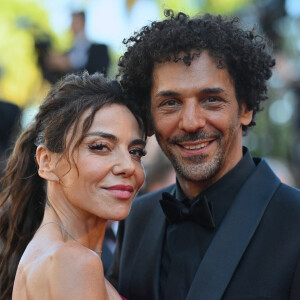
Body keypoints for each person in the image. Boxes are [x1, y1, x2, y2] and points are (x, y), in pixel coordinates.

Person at [108, 9, 300, 300]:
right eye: (171, 103)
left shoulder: (294, 221)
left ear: (245, 108)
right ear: (149, 116)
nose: (191, 122)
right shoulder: (136, 219)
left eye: (211, 100)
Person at [0, 71, 147, 300]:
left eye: (135, 152)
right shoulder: (73, 262)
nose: (128, 166)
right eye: (100, 146)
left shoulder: (49, 256)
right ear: (47, 162)